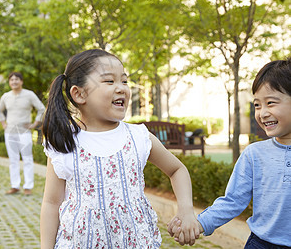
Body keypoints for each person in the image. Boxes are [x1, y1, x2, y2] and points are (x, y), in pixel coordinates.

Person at [40, 49, 201, 248]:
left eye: (124, 81)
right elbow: (51, 203)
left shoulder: (138, 137)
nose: (121, 88)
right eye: (110, 81)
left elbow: (177, 170)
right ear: (79, 93)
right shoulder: (64, 142)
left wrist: (186, 209)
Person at [168, 58, 291, 248]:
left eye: (271, 103)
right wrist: (198, 223)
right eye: (257, 105)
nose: (262, 113)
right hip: (262, 243)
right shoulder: (254, 154)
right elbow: (232, 201)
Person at [0, 72, 45, 196]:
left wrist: (35, 124)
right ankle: (15, 186)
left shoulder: (29, 94)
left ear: (21, 81)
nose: (14, 82)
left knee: (27, 159)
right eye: (11, 80)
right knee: (13, 160)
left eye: (16, 79)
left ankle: (28, 186)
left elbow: (41, 109)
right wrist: (3, 124)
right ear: (9, 82)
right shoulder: (6, 96)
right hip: (10, 132)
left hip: (24, 132)